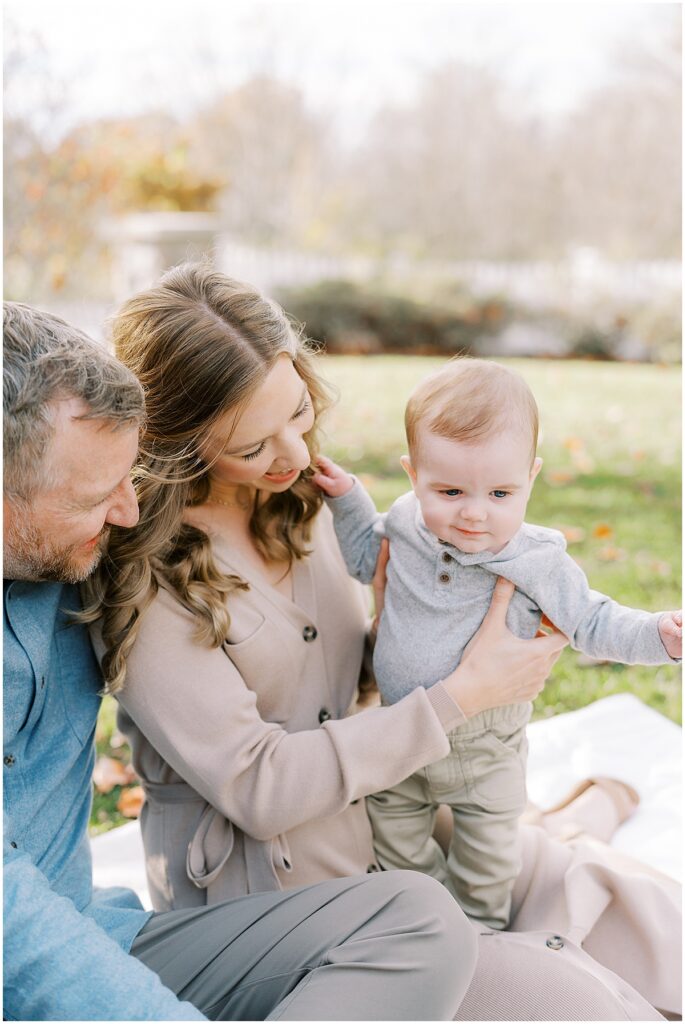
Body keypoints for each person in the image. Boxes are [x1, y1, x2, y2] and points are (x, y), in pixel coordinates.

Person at [86, 263, 679, 1021]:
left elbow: (348, 679)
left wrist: (432, 627)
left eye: (298, 413)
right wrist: (468, 691)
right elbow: (259, 789)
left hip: (395, 803)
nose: (294, 455)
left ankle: (574, 820)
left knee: (636, 911)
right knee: (585, 1004)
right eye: (253, 444)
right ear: (180, 446)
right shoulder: (149, 584)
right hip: (299, 898)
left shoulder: (303, 504)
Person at [3, 300, 482, 1023]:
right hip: (52, 962)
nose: (128, 511)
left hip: (98, 932)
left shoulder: (63, 565)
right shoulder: (119, 571)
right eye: (97, 494)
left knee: (440, 926)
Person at [313, 356, 682, 929]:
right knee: (395, 849)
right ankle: (425, 920)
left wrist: (660, 635)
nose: (474, 515)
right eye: (451, 489)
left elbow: (591, 621)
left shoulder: (535, 559)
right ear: (413, 476)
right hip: (401, 733)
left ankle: (480, 933)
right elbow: (366, 558)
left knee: (487, 863)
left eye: (501, 493)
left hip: (486, 751)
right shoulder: (408, 523)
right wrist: (349, 500)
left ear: (531, 478)